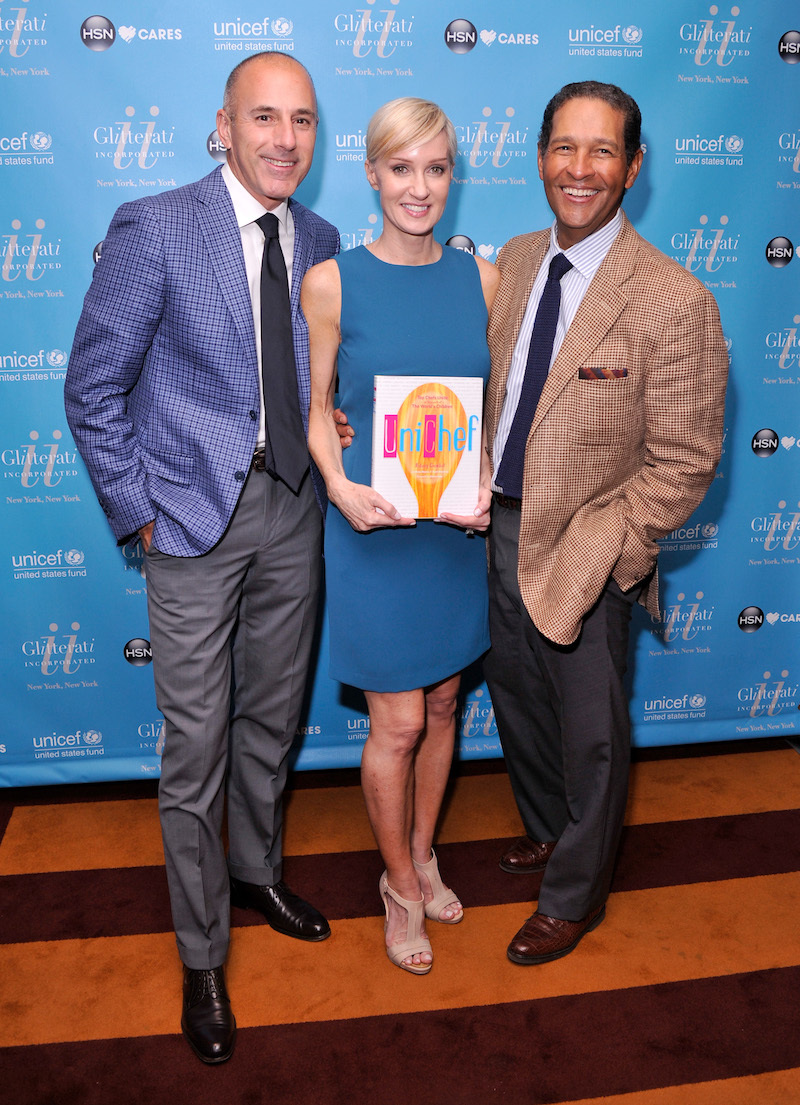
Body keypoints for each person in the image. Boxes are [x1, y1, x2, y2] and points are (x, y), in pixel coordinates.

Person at [65, 53, 339, 1063]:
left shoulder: (321, 239)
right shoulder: (155, 225)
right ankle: (201, 952)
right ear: (222, 126)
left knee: (272, 715)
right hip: (188, 521)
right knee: (195, 747)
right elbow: (92, 387)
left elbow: (308, 379)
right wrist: (139, 512)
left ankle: (255, 870)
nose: (283, 138)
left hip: (294, 510)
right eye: (262, 117)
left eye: (300, 120)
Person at [483, 82, 728, 965]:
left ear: (632, 167)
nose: (579, 168)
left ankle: (572, 895)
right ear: (540, 157)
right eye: (564, 147)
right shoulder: (514, 260)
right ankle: (549, 827)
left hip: (591, 542)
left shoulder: (673, 298)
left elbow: (686, 460)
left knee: (592, 734)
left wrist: (616, 547)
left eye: (601, 150)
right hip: (496, 526)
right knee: (518, 700)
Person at [303, 98, 499, 974]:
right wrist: (338, 485)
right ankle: (397, 883)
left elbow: (485, 407)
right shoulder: (331, 281)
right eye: (402, 168)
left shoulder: (482, 279)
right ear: (373, 174)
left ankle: (423, 851)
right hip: (374, 530)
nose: (419, 187)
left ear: (453, 177)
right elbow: (317, 410)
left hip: (452, 534)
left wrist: (485, 475)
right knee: (399, 721)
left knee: (446, 704)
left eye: (437, 168)